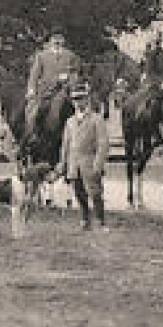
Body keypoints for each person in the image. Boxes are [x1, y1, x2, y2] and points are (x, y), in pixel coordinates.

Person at [57, 80, 109, 231]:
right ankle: (85, 220)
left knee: (95, 192)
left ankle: (100, 220)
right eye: (75, 99)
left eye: (81, 98)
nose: (78, 102)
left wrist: (98, 163)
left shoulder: (96, 119)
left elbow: (103, 143)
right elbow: (65, 144)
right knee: (79, 193)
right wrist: (62, 163)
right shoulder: (70, 122)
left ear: (87, 99)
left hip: (90, 161)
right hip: (74, 163)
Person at [25, 28, 83, 148]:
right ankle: (34, 134)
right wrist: (31, 90)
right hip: (47, 91)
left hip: (66, 90)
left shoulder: (70, 55)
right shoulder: (41, 56)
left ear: (63, 40)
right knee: (36, 111)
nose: (57, 41)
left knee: (80, 108)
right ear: (50, 40)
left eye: (60, 38)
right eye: (54, 38)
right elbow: (34, 75)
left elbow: (76, 73)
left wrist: (69, 77)